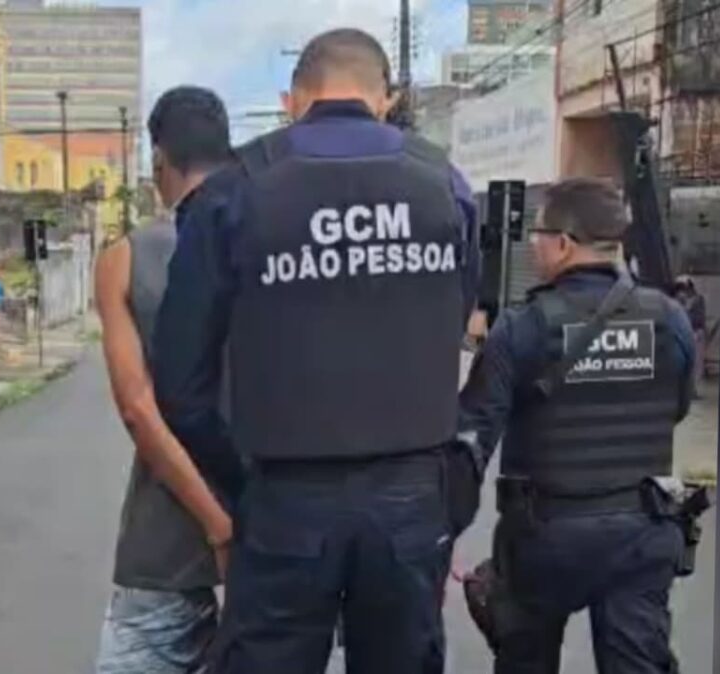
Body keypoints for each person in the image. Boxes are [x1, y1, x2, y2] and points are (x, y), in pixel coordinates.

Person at [154, 28, 479, 674]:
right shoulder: (445, 183)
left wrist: (243, 479)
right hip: (410, 499)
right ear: (386, 99)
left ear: (292, 99)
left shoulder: (235, 190)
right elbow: (455, 319)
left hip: (284, 498)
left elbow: (180, 383)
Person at [457, 178, 698, 673]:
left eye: (538, 235)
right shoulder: (669, 318)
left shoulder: (522, 327)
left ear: (563, 244)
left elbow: (472, 440)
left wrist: (439, 533)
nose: (534, 245)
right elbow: (676, 407)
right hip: (643, 529)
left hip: (544, 538)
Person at [91, 86, 236, 674]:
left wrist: (217, 528)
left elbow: (138, 409)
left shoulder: (127, 258)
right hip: (280, 529)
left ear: (158, 160)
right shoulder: (277, 239)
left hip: (167, 540)